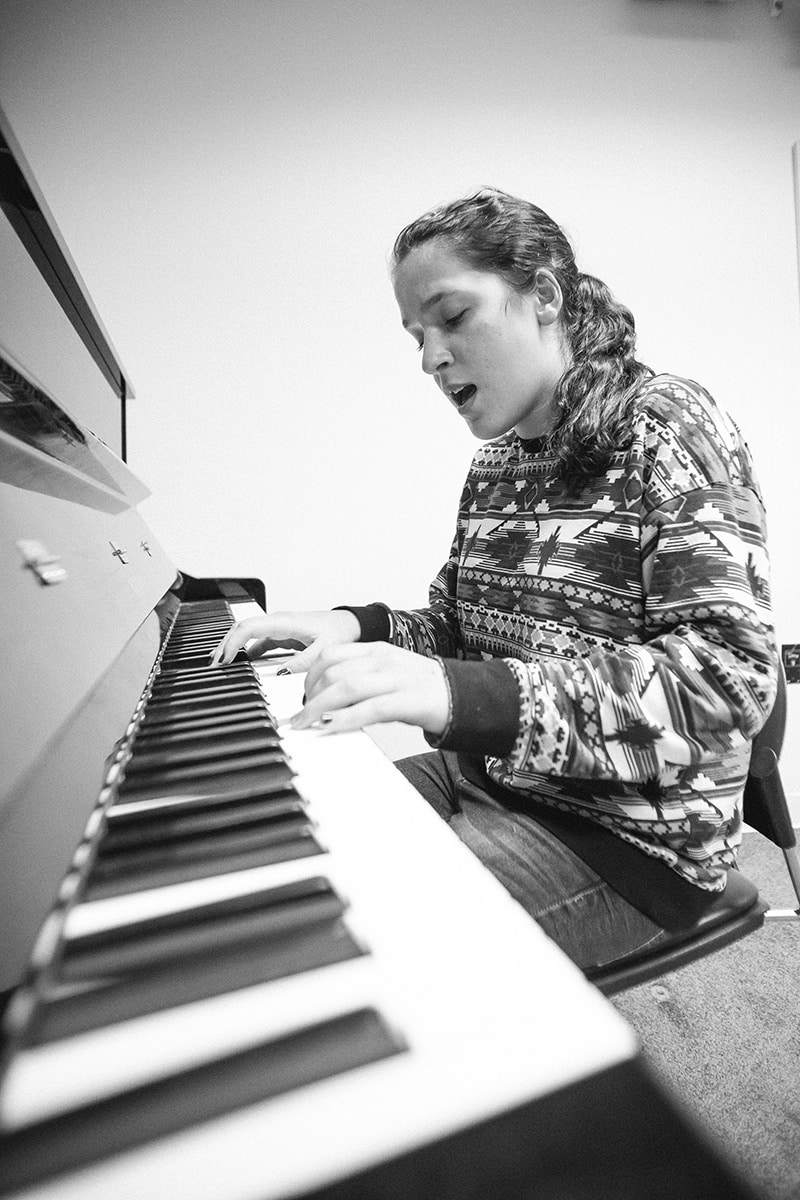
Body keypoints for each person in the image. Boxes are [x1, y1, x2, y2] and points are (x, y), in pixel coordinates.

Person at [212, 188, 778, 971]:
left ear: (543, 294)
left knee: (325, 956)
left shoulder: (670, 427)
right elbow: (454, 626)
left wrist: (460, 695)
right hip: (491, 779)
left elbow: (728, 685)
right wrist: (355, 624)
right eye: (416, 335)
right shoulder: (497, 464)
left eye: (451, 317)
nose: (429, 357)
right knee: (273, 849)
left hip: (624, 839)